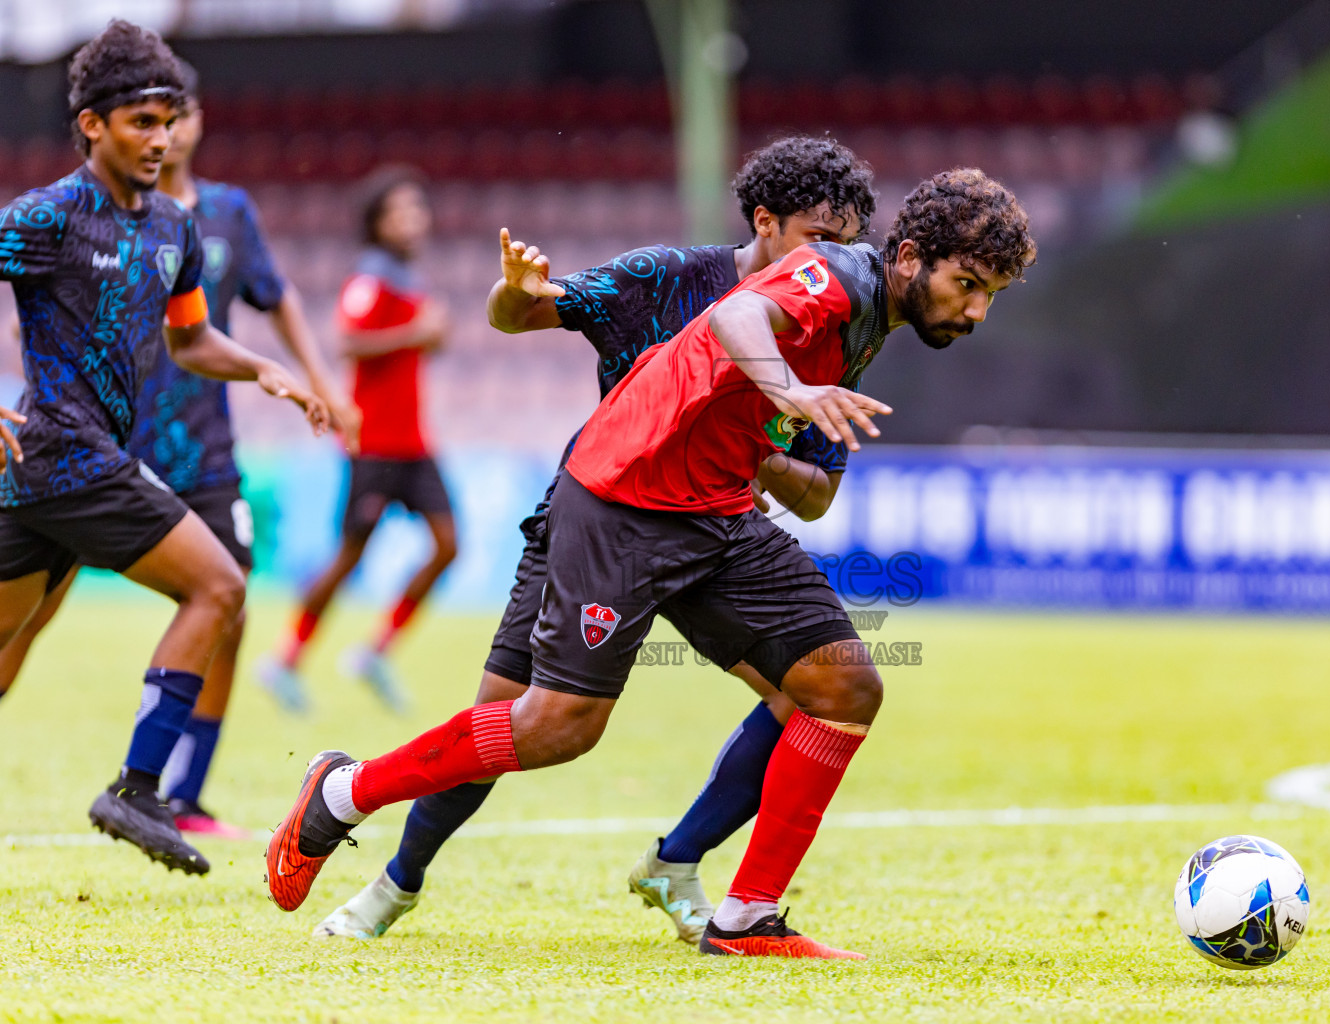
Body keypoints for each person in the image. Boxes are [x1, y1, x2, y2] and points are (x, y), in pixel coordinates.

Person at [267, 168, 1034, 958]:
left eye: (990, 295)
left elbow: (812, 493)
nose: (975, 310)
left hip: (715, 511)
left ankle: (745, 920)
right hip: (623, 497)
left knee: (843, 684)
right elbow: (738, 313)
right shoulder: (838, 272)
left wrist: (776, 434)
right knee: (554, 726)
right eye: (967, 284)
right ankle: (343, 794)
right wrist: (787, 390)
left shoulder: (869, 323)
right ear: (909, 256)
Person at [0, 21, 328, 874]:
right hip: (66, 455)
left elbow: (190, 341)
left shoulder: (175, 230)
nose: (160, 138)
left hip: (56, 475)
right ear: (91, 126)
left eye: (168, 119)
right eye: (140, 121)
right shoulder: (46, 217)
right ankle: (139, 788)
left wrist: (262, 367)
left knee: (4, 655)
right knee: (218, 584)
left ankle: (144, 786)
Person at [259, 166, 455, 713]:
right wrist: (419, 333)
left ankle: (375, 652)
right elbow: (348, 339)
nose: (413, 220)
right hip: (375, 444)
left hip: (415, 443)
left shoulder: (407, 277)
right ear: (377, 223)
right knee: (349, 557)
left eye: (417, 209)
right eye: (399, 212)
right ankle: (284, 659)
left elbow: (414, 347)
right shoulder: (371, 277)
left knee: (448, 545)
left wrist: (430, 336)